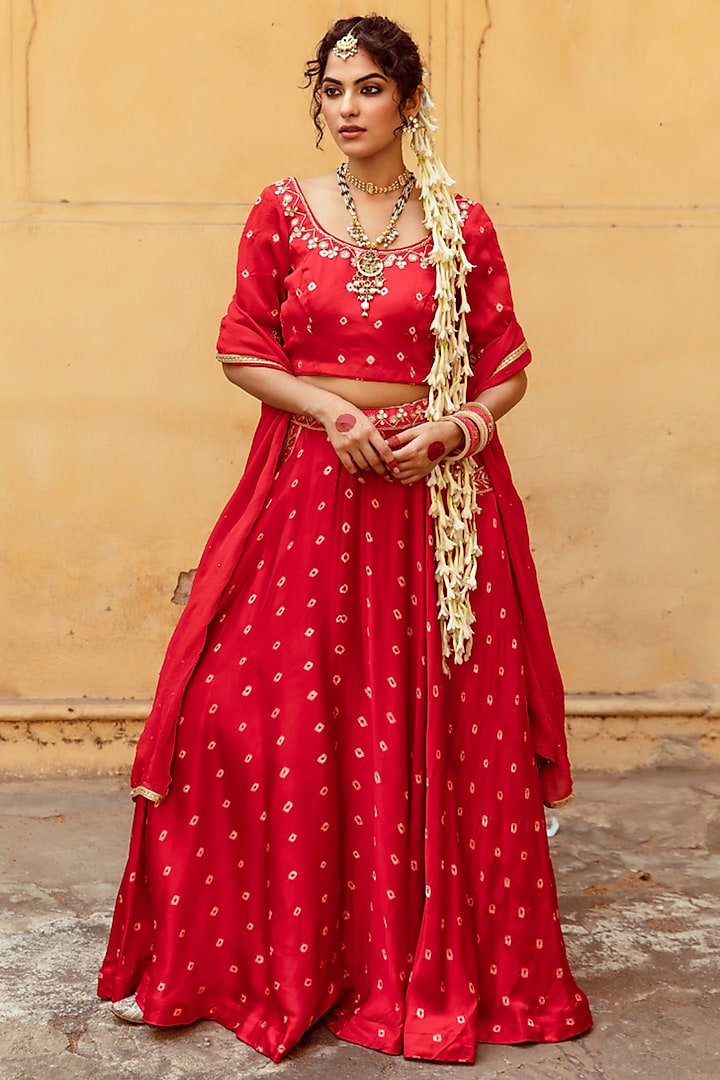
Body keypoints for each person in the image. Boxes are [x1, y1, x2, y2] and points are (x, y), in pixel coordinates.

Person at [98, 14, 593, 1064]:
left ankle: (402, 957)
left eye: (369, 88)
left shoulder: (462, 224)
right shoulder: (281, 212)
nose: (347, 108)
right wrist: (329, 414)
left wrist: (456, 429)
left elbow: (506, 361)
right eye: (332, 89)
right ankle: (285, 957)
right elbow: (242, 346)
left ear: (408, 99)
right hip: (313, 491)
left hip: (432, 505)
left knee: (433, 732)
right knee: (246, 714)